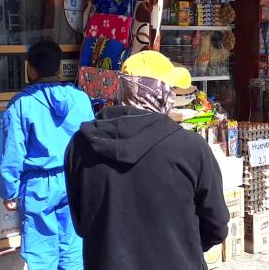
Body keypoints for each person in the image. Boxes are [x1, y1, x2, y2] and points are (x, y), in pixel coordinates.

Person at [65, 50, 230, 270]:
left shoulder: (80, 145)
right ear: (157, 92)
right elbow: (216, 226)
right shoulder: (190, 148)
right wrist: (180, 245)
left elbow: (82, 223)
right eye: (170, 89)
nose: (172, 96)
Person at [0, 41, 94, 269]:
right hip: (75, 179)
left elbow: (12, 152)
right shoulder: (80, 98)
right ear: (59, 67)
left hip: (38, 186)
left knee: (41, 252)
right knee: (73, 248)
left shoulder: (22, 104)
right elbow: (91, 141)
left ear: (30, 69)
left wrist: (8, 192)